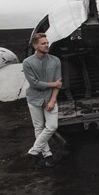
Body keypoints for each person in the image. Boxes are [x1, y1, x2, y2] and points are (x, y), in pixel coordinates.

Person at [22, 33, 62, 168]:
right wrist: (53, 84)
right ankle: (47, 155)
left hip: (50, 98)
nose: (47, 45)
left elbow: (59, 83)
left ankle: (33, 152)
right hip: (34, 98)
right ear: (35, 45)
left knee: (52, 126)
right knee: (38, 127)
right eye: (43, 43)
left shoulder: (55, 60)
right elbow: (34, 84)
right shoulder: (27, 62)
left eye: (47, 43)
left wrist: (52, 100)